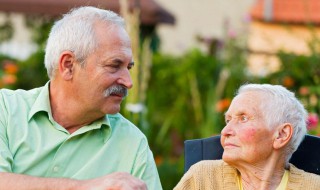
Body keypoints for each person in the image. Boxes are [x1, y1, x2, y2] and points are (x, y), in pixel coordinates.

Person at [0, 6, 162, 190]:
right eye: (114, 65)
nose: (128, 82)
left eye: (128, 67)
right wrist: (87, 187)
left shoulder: (133, 145)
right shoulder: (6, 109)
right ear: (68, 65)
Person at [174, 84, 320, 190]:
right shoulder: (203, 178)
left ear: (281, 135)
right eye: (228, 120)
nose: (225, 131)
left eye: (243, 118)